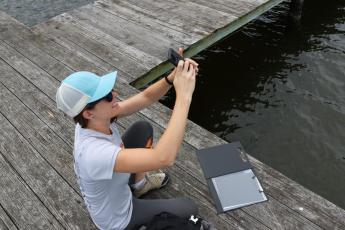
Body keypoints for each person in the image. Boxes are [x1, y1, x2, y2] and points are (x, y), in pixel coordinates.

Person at [56, 48, 199, 230]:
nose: (114, 94)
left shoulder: (92, 120)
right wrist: (185, 96)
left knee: (142, 128)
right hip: (119, 218)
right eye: (107, 96)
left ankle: (139, 185)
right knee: (190, 208)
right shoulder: (93, 153)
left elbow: (145, 97)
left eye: (111, 89)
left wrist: (170, 79)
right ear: (88, 113)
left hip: (116, 184)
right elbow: (164, 158)